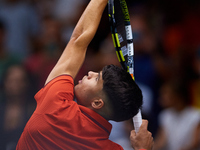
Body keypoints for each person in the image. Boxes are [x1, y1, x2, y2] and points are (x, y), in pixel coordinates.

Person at [16, 0, 154, 149]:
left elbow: (78, 39)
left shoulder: (55, 106)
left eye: (96, 79)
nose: (90, 73)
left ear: (97, 103)